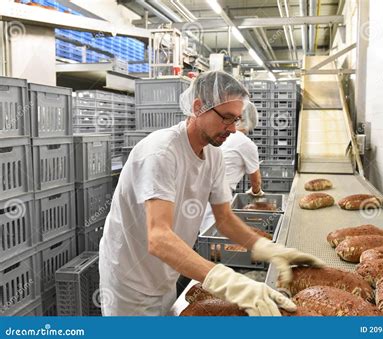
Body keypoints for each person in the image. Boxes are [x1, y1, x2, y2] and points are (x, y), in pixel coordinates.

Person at [99, 70, 325, 316]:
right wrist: (226, 281)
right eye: (226, 118)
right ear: (198, 107)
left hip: (164, 274)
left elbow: (225, 219)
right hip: (130, 283)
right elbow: (158, 237)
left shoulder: (214, 154)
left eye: (237, 119)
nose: (233, 129)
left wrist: (266, 248)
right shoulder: (161, 153)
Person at [199, 101, 263, 234]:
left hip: (200, 190)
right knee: (212, 237)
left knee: (201, 233)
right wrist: (256, 193)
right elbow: (255, 180)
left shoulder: (217, 137)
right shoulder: (247, 144)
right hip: (219, 194)